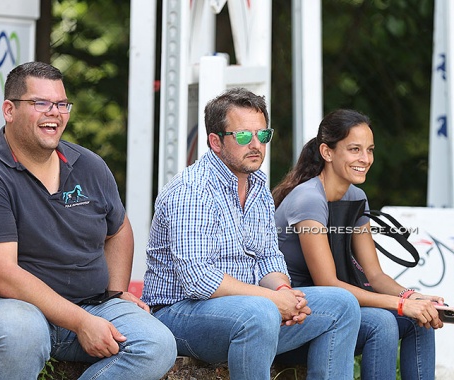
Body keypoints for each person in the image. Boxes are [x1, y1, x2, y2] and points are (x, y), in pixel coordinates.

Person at [0, 61, 177, 380]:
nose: (53, 112)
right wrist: (80, 322)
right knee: (21, 332)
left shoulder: (89, 165)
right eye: (40, 103)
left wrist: (114, 291)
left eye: (61, 103)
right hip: (9, 308)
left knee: (157, 344)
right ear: (9, 110)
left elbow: (119, 229)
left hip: (91, 304)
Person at [142, 87, 361, 380]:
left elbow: (268, 257)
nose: (256, 144)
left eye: (263, 135)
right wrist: (270, 301)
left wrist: (284, 293)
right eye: (244, 136)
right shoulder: (192, 191)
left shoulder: (257, 186)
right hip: (180, 315)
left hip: (249, 310)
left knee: (342, 305)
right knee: (260, 313)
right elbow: (198, 279)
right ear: (215, 142)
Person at [273, 108, 444, 380]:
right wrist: (399, 305)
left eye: (370, 150)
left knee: (419, 320)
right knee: (383, 322)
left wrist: (413, 298)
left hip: (339, 306)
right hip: (296, 315)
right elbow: (328, 283)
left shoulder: (356, 197)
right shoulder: (308, 199)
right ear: (327, 153)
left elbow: (374, 275)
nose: (365, 159)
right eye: (354, 149)